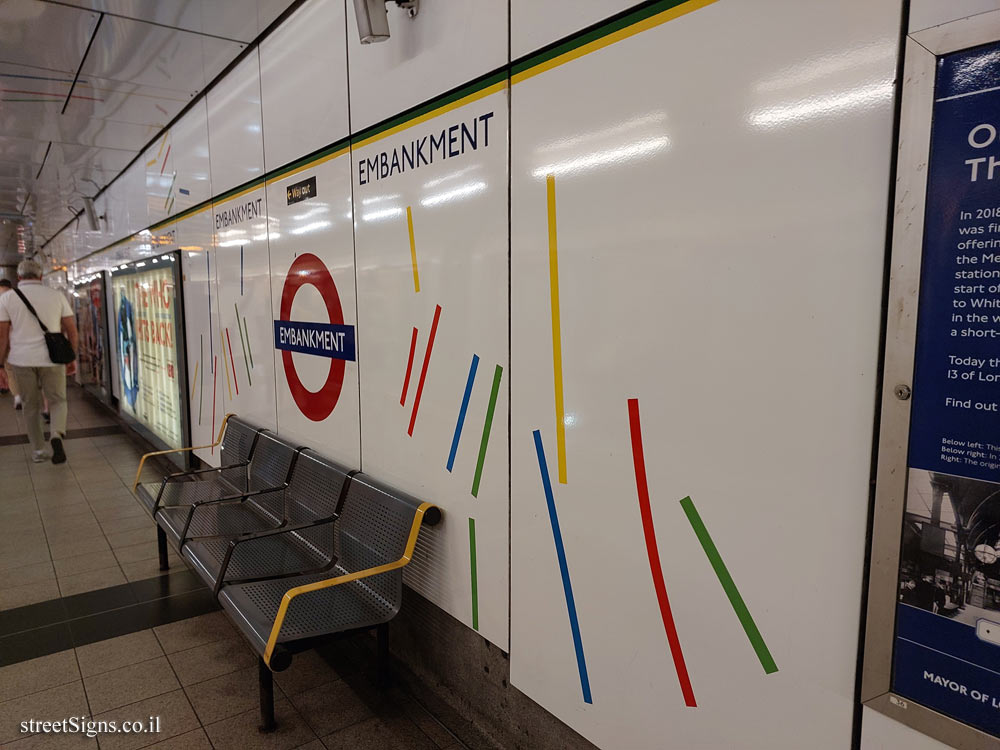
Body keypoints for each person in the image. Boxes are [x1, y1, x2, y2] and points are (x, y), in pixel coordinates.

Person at [0, 260, 78, 464]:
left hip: (21, 360)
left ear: (19, 277)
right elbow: (71, 329)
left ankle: (38, 450)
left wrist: (0, 364)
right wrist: (72, 356)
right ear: (41, 276)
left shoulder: (7, 298)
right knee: (58, 400)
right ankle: (56, 435)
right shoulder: (56, 296)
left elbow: (3, 336)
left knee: (30, 405)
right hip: (52, 359)